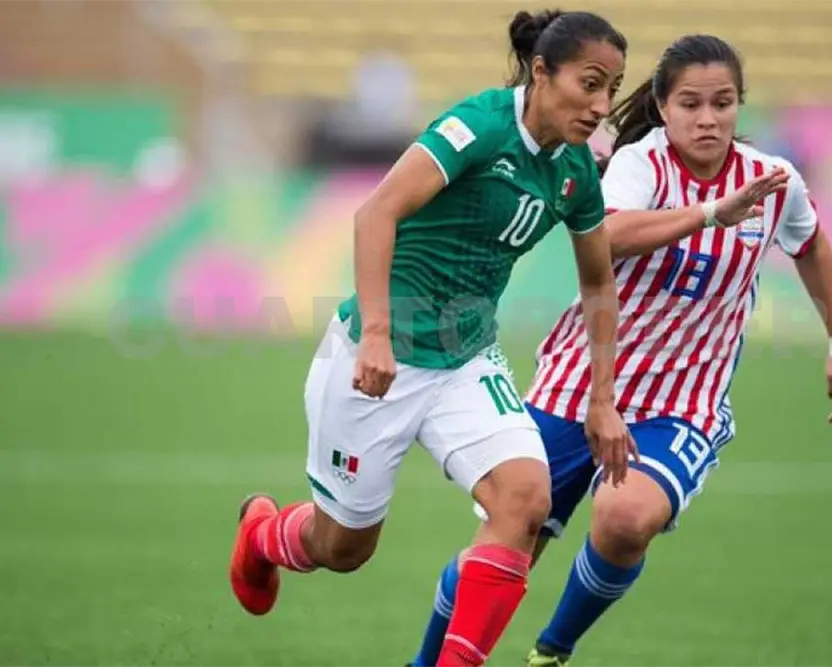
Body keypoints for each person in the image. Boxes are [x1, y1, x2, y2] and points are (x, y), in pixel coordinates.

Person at [406, 33, 832, 667]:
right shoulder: (641, 164)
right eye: (691, 104)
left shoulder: (771, 182)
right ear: (662, 106)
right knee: (509, 546)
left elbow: (810, 245)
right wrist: (709, 213)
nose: (708, 119)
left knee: (624, 518)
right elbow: (611, 235)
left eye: (723, 103)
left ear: (740, 106)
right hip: (578, 384)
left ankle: (551, 652)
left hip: (682, 404)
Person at [228, 10, 638, 667]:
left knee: (526, 497)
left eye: (611, 89)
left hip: (466, 360)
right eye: (589, 83)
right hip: (376, 359)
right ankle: (263, 533)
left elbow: (598, 285)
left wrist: (602, 397)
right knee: (343, 549)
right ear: (540, 71)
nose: (600, 105)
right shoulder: (477, 125)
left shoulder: (575, 173)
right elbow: (376, 211)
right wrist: (377, 337)